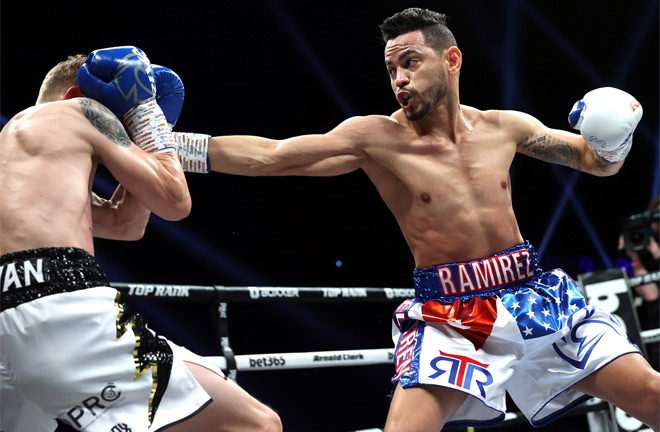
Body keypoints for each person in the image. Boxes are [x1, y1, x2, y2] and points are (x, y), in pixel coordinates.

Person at [167, 7, 660, 431]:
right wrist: (161, 145)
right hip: (453, 313)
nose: (399, 79)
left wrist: (616, 134)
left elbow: (599, 163)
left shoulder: (505, 127)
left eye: (410, 62)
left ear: (451, 60)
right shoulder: (377, 138)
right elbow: (270, 156)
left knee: (650, 393)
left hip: (534, 294)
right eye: (391, 69)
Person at [0, 47, 282, 432]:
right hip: (59, 305)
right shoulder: (80, 111)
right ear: (76, 96)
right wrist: (147, 115)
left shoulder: (17, 153)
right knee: (256, 424)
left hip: (10, 318)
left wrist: (144, 146)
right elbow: (175, 201)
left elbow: (125, 225)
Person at [619, 195, 660, 371]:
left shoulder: (653, 249)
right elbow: (651, 294)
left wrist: (656, 253)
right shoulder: (643, 247)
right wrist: (635, 257)